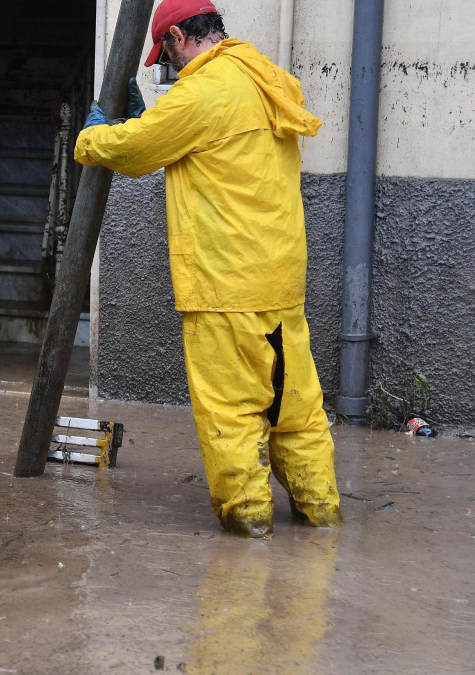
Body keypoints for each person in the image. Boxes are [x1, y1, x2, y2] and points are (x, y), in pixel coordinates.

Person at [76, 0, 342, 537]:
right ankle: (321, 514)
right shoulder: (261, 75)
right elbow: (205, 143)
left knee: (232, 412)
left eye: (165, 53)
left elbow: (138, 150)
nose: (166, 66)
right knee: (297, 411)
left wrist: (93, 137)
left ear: (178, 36)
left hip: (224, 287)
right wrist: (150, 117)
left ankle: (248, 527)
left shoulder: (203, 90)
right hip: (279, 284)